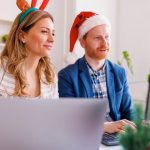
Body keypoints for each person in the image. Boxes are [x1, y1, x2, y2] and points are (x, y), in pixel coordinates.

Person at [58, 11, 135, 133]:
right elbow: (69, 120)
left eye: (107, 36)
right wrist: (105, 126)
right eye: (98, 38)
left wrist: (138, 128)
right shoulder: (66, 76)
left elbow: (129, 112)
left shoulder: (120, 73)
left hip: (117, 137)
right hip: (85, 137)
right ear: (83, 42)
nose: (104, 43)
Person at [0, 0, 58, 98]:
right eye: (44, 31)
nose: (52, 39)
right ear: (22, 36)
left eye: (53, 33)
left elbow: (55, 112)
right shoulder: (2, 69)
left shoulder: (49, 74)